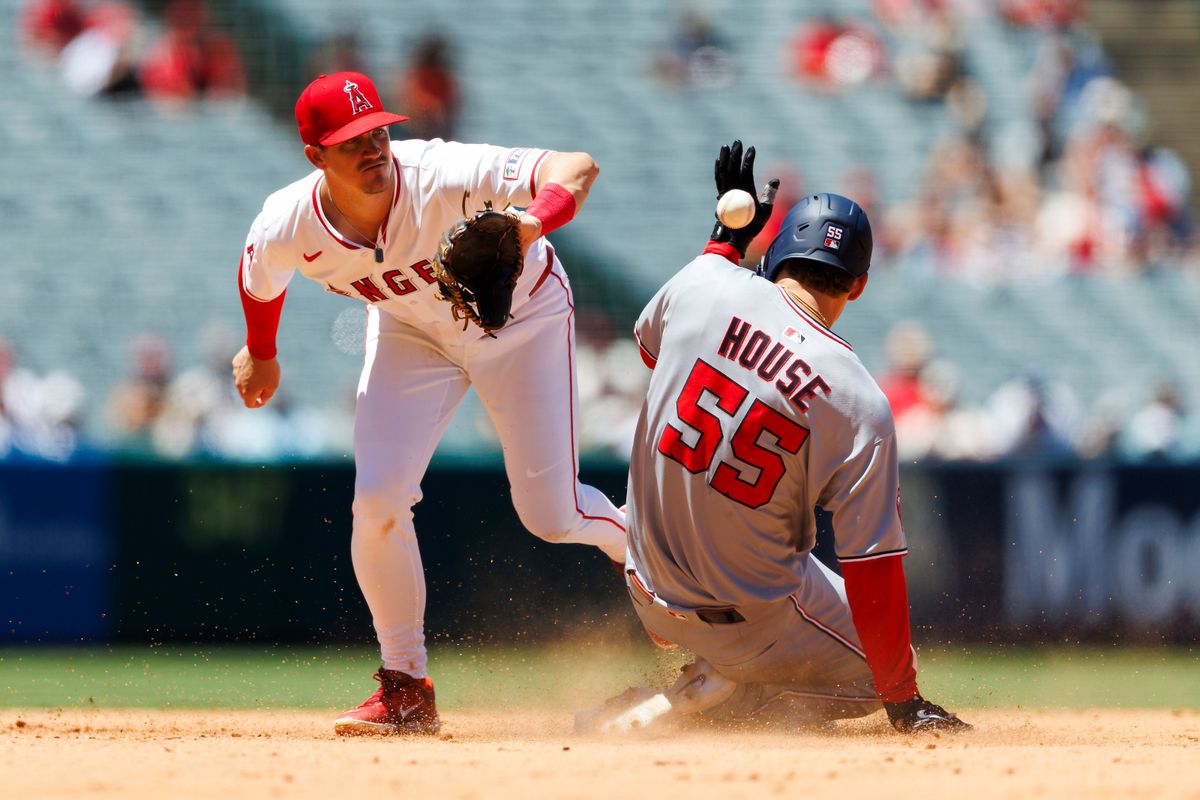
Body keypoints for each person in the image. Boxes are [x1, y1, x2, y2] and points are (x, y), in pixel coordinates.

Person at [231, 72, 626, 735]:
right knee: (379, 497)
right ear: (316, 158)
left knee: (552, 515)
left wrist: (531, 223)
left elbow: (576, 167)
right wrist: (261, 351)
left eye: (379, 131)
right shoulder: (288, 221)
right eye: (352, 141)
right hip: (412, 331)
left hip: (520, 321)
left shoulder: (440, 172)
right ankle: (405, 687)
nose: (374, 148)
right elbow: (257, 278)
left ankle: (640, 552)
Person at [606, 142, 968, 734]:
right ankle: (718, 703)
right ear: (858, 287)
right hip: (751, 622)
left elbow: (655, 350)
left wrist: (723, 242)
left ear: (772, 255)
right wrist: (903, 704)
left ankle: (714, 676)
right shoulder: (859, 401)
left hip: (645, 587)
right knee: (872, 676)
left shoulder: (703, 280)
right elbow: (871, 567)